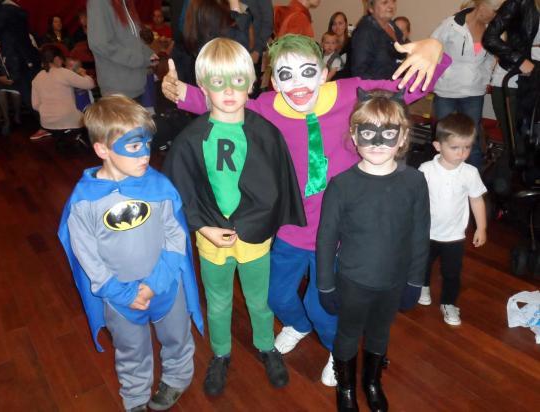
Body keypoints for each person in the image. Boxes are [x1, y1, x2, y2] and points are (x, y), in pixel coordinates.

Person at [163, 33, 450, 387]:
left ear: (324, 73)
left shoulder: (352, 93)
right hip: (291, 228)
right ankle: (297, 324)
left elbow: (409, 86)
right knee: (275, 294)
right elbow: (227, 106)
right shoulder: (268, 106)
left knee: (324, 304)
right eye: (286, 75)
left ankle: (336, 349)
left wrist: (436, 50)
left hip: (341, 232)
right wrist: (181, 92)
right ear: (272, 81)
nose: (298, 83)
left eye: (307, 71)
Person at [163, 38, 305, 396]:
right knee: (219, 299)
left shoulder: (265, 133)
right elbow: (182, 189)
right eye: (218, 83)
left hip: (255, 236)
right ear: (204, 86)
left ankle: (265, 345)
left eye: (238, 82)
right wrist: (204, 227)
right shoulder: (191, 139)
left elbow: (278, 184)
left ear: (252, 83)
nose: (228, 92)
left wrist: (263, 224)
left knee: (259, 299)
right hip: (212, 238)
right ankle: (221, 354)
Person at [58, 95, 204, 412]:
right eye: (133, 147)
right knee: (130, 349)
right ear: (102, 150)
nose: (145, 156)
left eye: (147, 145)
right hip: (119, 296)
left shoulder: (159, 186)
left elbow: (175, 235)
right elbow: (87, 257)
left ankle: (178, 377)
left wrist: (156, 282)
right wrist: (119, 291)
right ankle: (135, 397)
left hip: (165, 285)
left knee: (176, 336)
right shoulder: (84, 202)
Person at [316, 89, 430, 412]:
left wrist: (414, 281)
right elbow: (326, 239)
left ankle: (372, 381)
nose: (378, 142)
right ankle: (347, 388)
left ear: (403, 136)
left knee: (380, 333)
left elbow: (421, 236)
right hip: (353, 281)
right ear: (354, 135)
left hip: (393, 282)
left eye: (388, 133)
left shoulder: (415, 183)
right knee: (348, 334)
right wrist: (326, 284)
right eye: (368, 133)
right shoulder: (341, 185)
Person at [418, 113, 487, 326]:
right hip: (426, 233)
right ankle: (423, 286)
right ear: (438, 146)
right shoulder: (426, 170)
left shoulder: (470, 172)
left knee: (452, 273)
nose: (461, 153)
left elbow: (477, 201)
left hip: (454, 236)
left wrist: (481, 228)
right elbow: (416, 201)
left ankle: (448, 303)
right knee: (422, 265)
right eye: (455, 148)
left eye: (466, 147)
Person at [431, 0, 503, 169]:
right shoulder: (451, 25)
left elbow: (490, 58)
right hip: (447, 91)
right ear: (482, 5)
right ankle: (442, 179)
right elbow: (432, 48)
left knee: (472, 140)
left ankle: (473, 184)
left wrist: (484, 80)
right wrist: (440, 74)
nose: (495, 17)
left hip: (474, 92)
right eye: (494, 11)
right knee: (445, 139)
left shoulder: (490, 30)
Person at [483, 0, 540, 156]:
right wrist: (520, 61)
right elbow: (490, 38)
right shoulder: (520, 2)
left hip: (535, 84)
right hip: (512, 82)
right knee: (516, 147)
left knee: (532, 146)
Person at [87, 0, 156, 99]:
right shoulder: (98, 3)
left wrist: (151, 55)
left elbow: (134, 40)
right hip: (117, 91)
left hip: (136, 86)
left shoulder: (125, 3)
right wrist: (142, 60)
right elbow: (100, 44)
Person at [31, 45, 94, 140]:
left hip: (47, 123)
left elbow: (35, 105)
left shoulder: (37, 78)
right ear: (56, 59)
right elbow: (90, 84)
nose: (63, 62)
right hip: (70, 121)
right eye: (62, 59)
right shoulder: (64, 73)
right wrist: (84, 74)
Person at [350, 0, 405, 79]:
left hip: (397, 85)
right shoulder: (364, 32)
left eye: (393, 1)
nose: (391, 5)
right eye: (385, 2)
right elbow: (360, 73)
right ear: (371, 8)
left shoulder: (392, 25)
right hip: (377, 89)